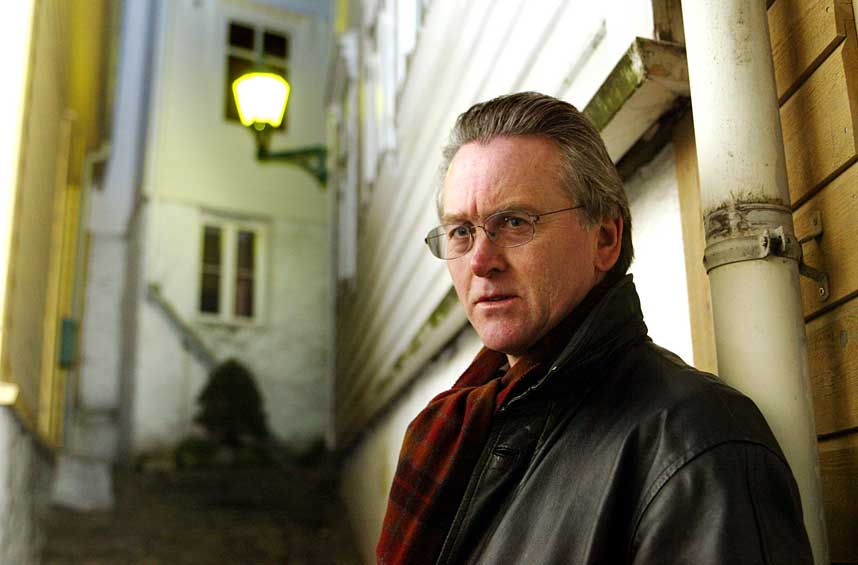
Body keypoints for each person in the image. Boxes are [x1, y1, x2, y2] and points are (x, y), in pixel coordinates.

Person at [376, 92, 812, 564]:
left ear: (605, 238)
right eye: (462, 231)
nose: (481, 261)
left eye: (515, 222)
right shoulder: (462, 425)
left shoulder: (697, 444)